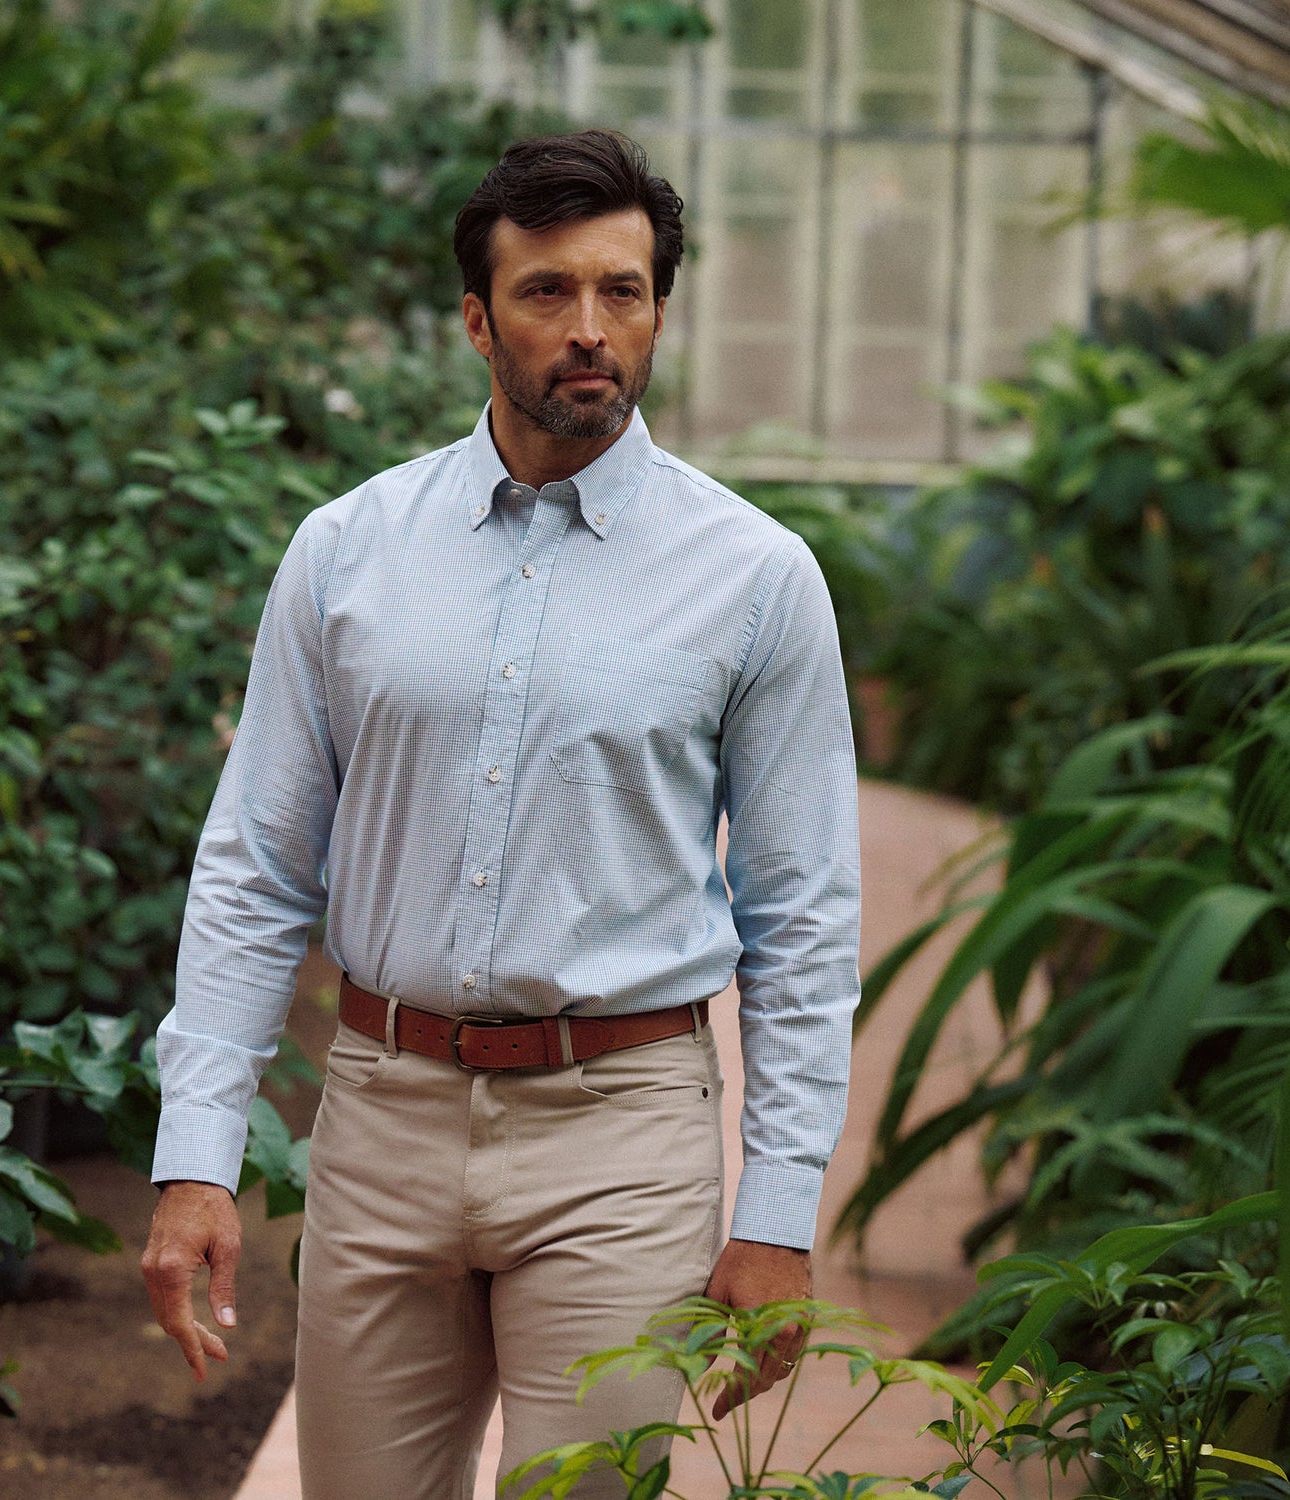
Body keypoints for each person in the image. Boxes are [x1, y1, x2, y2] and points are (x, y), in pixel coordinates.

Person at [142, 128, 861, 1499]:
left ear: (659, 309)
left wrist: (778, 1213)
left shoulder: (758, 579)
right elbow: (253, 868)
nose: (589, 330)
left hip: (623, 1133)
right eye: (546, 293)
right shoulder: (346, 552)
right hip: (381, 1116)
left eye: (624, 291)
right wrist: (198, 1157)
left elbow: (804, 915)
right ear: (477, 318)